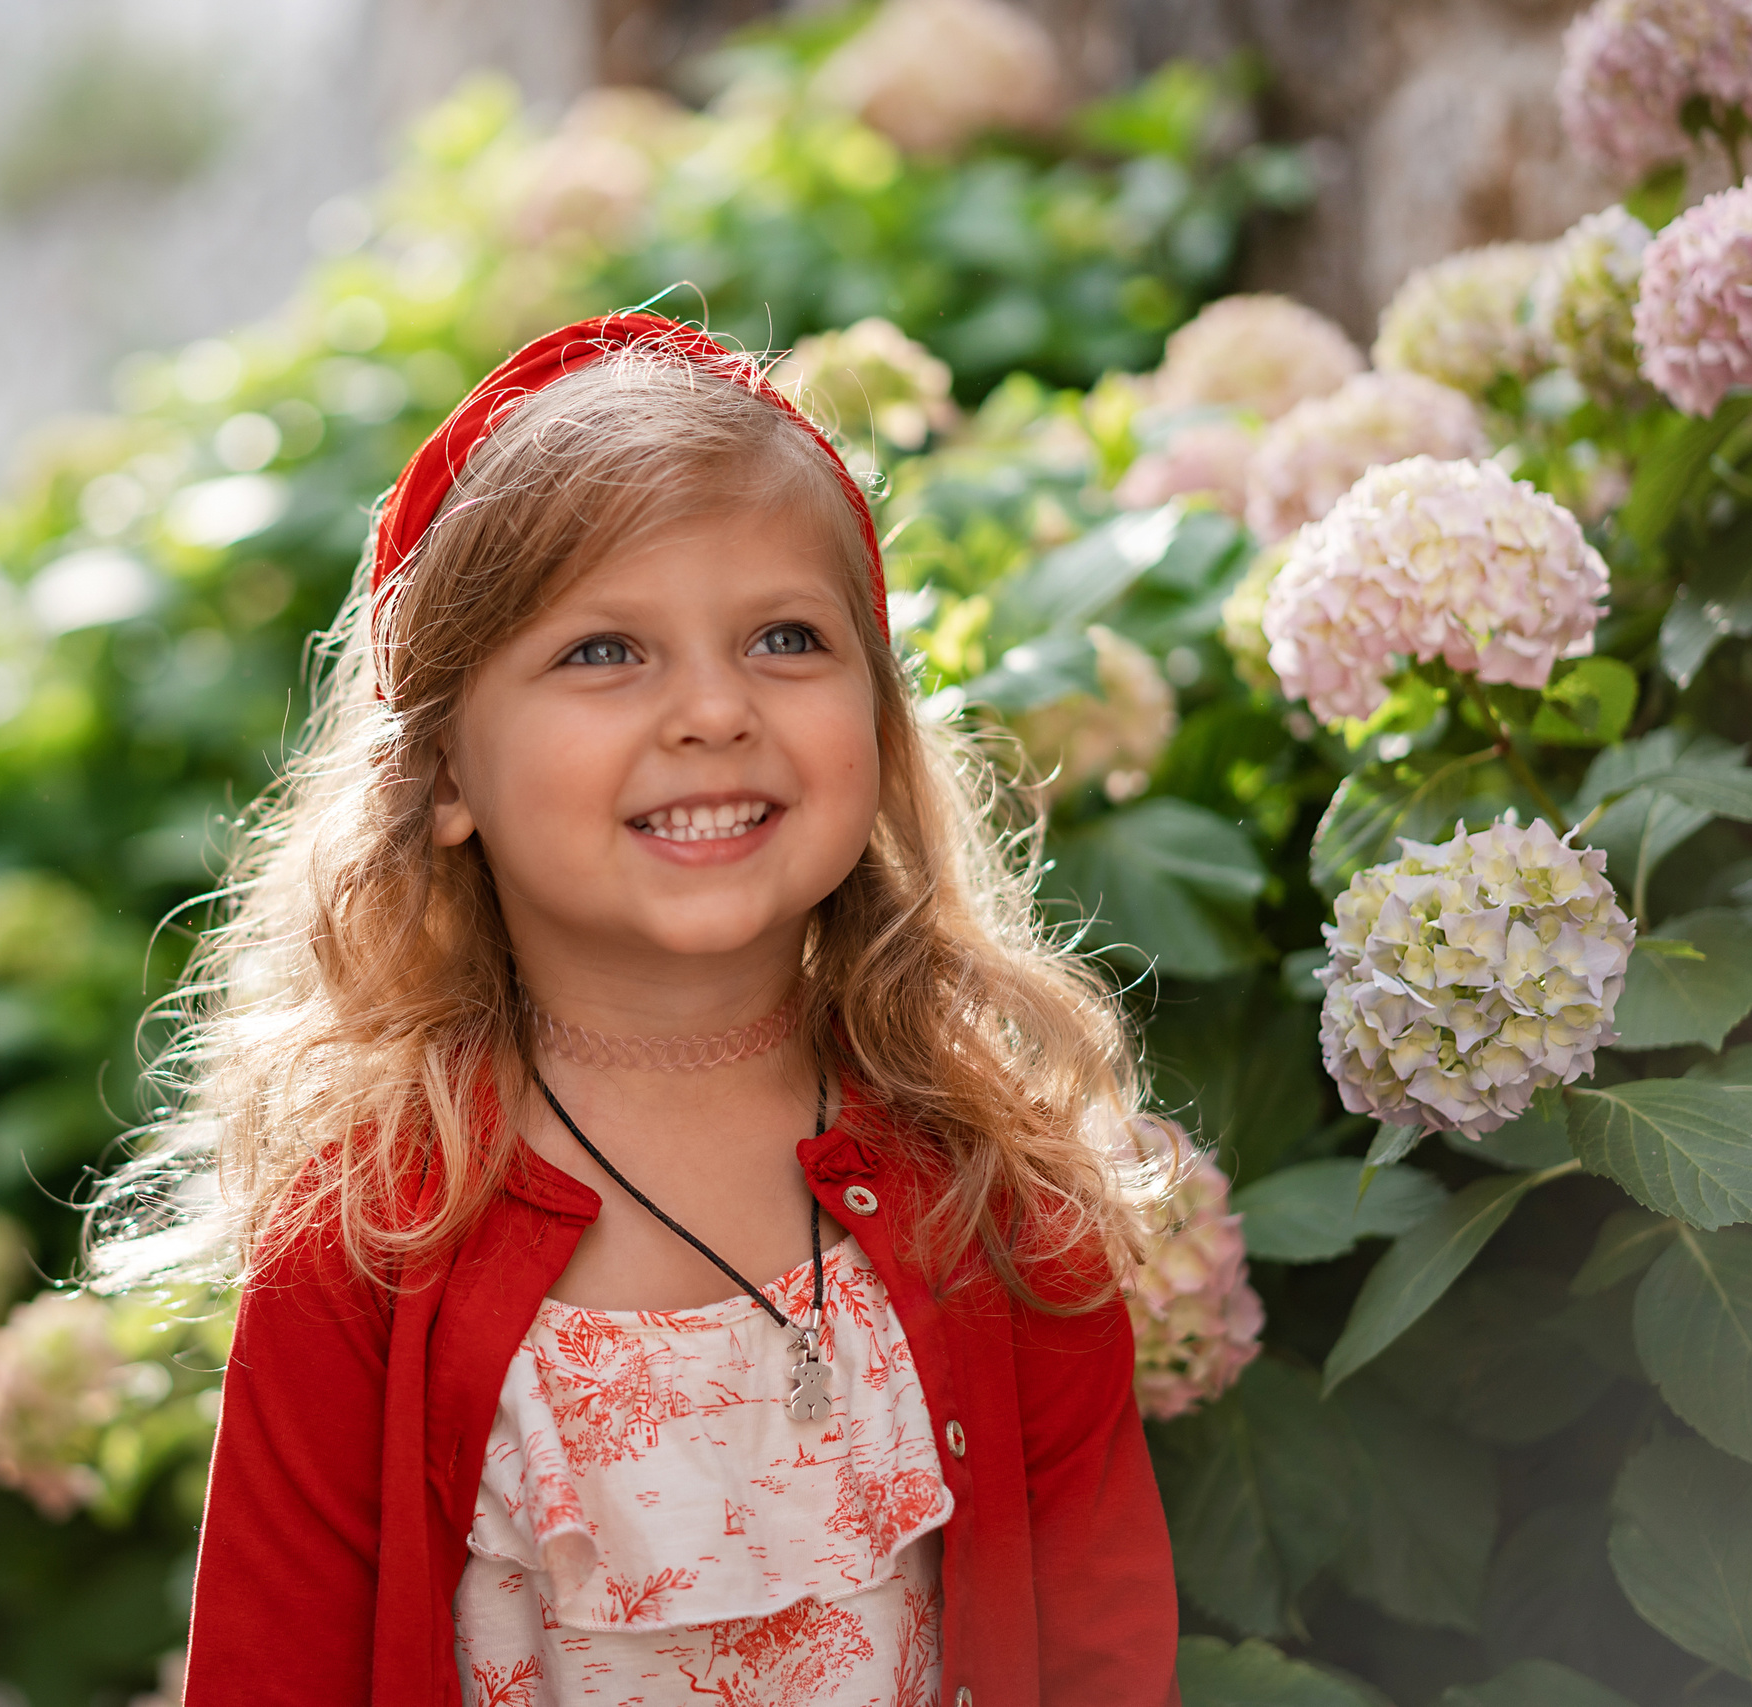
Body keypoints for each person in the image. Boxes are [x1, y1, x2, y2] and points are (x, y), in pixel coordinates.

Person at [89, 311, 1179, 1705]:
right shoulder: (363, 1237)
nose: (714, 711)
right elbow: (273, 1672)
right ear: (444, 776)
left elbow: (1105, 1660)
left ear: (883, 727)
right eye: (606, 652)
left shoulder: (996, 1187)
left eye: (786, 637)